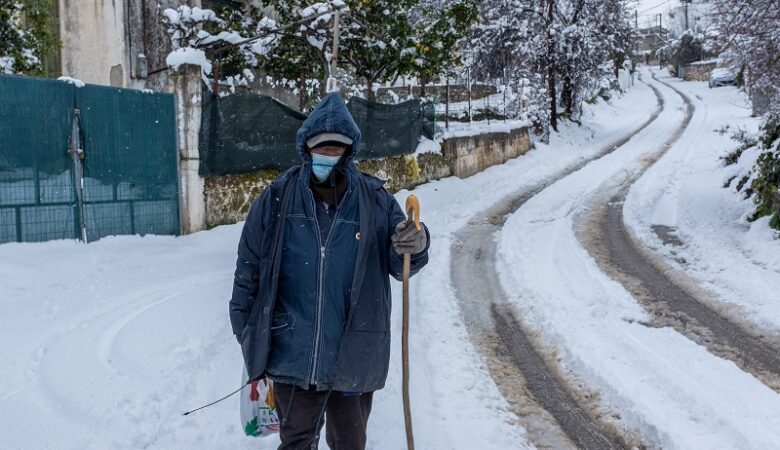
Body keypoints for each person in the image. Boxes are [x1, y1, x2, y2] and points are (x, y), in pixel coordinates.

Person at [229, 92, 430, 450]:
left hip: (354, 350)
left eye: (337, 148)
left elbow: (400, 261)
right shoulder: (277, 197)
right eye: (322, 148)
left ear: (350, 150)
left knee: (349, 444)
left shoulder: (375, 200)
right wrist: (249, 335)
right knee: (296, 442)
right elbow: (248, 270)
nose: (329, 155)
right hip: (293, 351)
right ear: (306, 149)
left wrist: (416, 244)